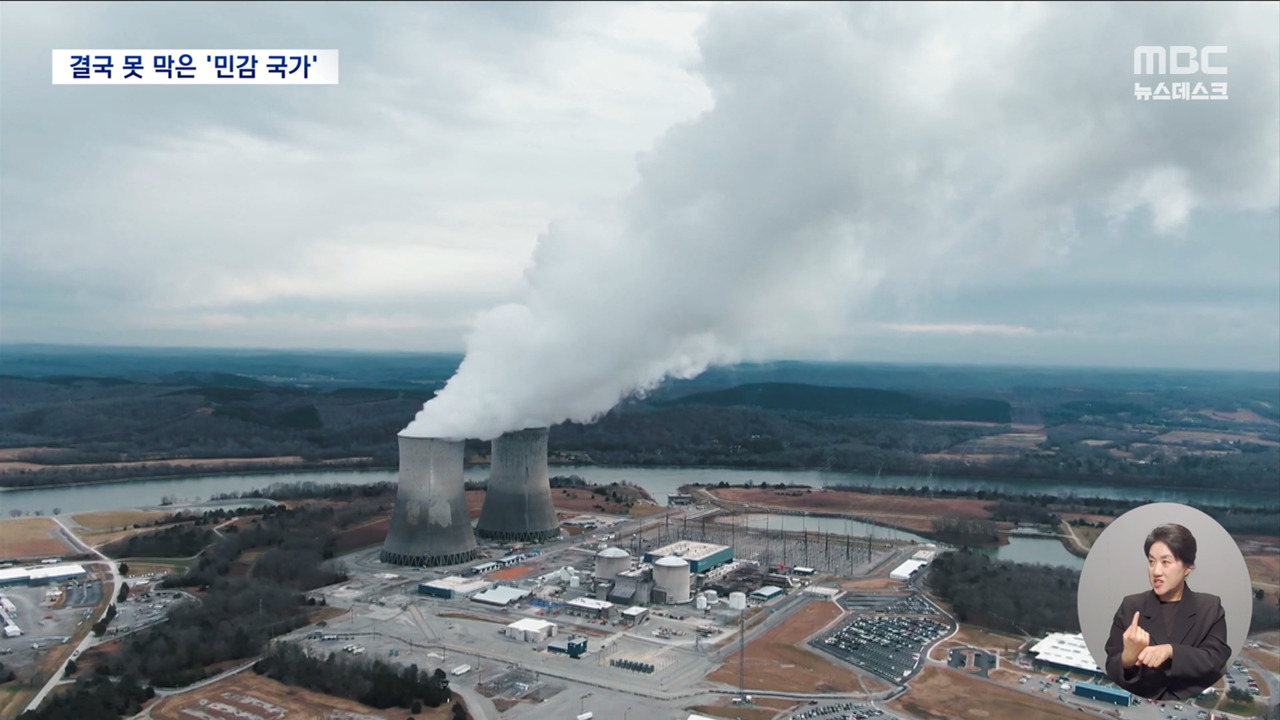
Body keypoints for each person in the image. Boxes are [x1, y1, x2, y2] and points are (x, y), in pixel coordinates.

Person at [1104, 523, 1230, 699]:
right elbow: (1111, 666)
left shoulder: (1210, 608)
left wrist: (1171, 651)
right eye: (1151, 561)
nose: (1156, 571)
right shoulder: (1131, 606)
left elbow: (1215, 659)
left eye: (1166, 562)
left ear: (1187, 567)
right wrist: (1128, 658)